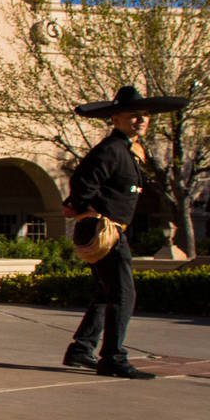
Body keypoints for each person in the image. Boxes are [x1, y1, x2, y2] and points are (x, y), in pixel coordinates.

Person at [61, 84, 185, 379]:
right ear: (115, 119)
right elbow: (81, 183)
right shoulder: (112, 149)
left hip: (114, 228)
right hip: (108, 230)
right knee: (123, 293)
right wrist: (86, 210)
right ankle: (113, 357)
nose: (140, 120)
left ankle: (82, 348)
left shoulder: (128, 150)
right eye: (133, 115)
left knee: (107, 292)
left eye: (144, 115)